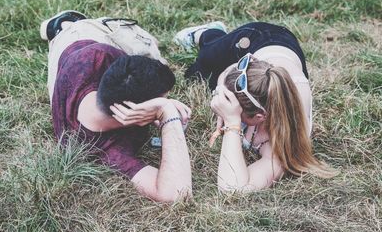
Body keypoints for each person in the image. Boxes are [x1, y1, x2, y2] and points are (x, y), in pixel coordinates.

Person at [40, 10, 192, 202]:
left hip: (81, 40)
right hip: (74, 44)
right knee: (151, 47)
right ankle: (63, 24)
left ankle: (64, 27)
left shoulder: (101, 56)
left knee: (156, 53)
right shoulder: (103, 151)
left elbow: (141, 70)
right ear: (134, 112)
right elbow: (177, 194)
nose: (165, 103)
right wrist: (166, 113)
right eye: (156, 105)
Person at [174, 21, 336, 192]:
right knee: (203, 63)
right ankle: (206, 33)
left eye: (232, 105)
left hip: (270, 46)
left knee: (198, 73)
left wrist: (232, 124)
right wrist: (220, 89)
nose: (223, 103)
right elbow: (228, 73)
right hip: (251, 41)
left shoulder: (282, 144)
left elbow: (232, 189)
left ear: (259, 117)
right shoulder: (254, 77)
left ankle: (207, 35)